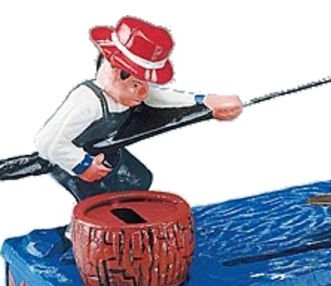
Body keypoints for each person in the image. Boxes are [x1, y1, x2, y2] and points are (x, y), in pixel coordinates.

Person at [33, 16, 242, 201]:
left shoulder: (128, 92)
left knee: (138, 180)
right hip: (69, 162)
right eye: (135, 83)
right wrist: (82, 165)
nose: (143, 92)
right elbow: (47, 142)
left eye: (145, 83)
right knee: (99, 202)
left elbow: (158, 97)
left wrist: (204, 101)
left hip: (107, 152)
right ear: (115, 72)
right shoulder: (87, 103)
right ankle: (90, 227)